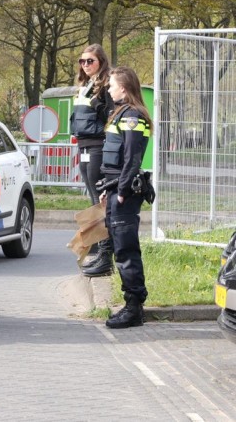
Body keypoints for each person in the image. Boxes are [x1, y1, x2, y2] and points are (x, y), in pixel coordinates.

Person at [98, 66, 152, 329]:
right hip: (114, 187)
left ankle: (134, 308)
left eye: (112, 85)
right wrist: (108, 189)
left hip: (124, 192)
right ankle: (130, 304)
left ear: (125, 87)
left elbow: (132, 158)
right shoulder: (120, 114)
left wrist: (121, 191)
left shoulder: (133, 117)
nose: (109, 88)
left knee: (126, 250)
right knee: (120, 248)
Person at [71, 44, 115, 277]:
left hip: (97, 145)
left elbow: (109, 115)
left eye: (90, 61)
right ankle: (100, 249)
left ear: (101, 62)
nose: (85, 65)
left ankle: (106, 254)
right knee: (92, 198)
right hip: (84, 145)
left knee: (101, 200)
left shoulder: (105, 85)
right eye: (82, 61)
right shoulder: (84, 86)